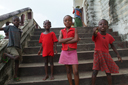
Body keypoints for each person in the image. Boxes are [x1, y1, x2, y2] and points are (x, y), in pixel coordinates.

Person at [91, 19, 123, 85]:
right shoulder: (97, 35)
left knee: (108, 72)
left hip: (106, 55)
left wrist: (118, 54)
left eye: (105, 24)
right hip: (97, 55)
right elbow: (94, 35)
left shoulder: (109, 36)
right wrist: (94, 32)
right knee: (95, 71)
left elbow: (112, 46)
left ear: (107, 26)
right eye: (100, 24)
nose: (103, 25)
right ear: (98, 26)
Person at [58, 15, 79, 85]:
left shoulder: (74, 29)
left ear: (72, 21)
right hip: (64, 52)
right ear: (63, 22)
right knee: (68, 71)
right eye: (65, 20)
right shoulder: (61, 31)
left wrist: (65, 41)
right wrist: (70, 38)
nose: (67, 22)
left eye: (69, 20)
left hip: (73, 52)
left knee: (75, 71)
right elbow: (60, 40)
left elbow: (76, 39)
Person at [0, 16, 22, 81]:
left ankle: (15, 76)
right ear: (12, 22)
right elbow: (2, 28)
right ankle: (5, 54)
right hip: (11, 46)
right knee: (17, 57)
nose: (17, 22)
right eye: (15, 20)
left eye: (18, 20)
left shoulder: (19, 30)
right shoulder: (10, 27)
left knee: (17, 62)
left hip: (18, 47)